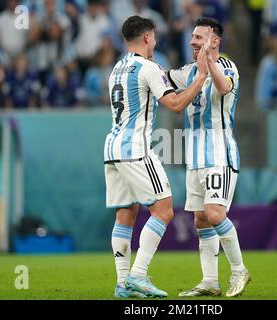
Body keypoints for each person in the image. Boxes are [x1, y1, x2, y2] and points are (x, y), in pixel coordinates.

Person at [104, 15, 209, 299]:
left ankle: (122, 284)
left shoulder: (116, 68)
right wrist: (200, 77)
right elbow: (174, 104)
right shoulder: (148, 67)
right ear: (147, 37)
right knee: (163, 210)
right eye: (155, 36)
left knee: (126, 214)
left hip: (112, 149)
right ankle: (138, 275)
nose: (156, 41)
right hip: (135, 148)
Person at [167, 17, 250, 298]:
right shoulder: (187, 72)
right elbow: (161, 77)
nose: (192, 42)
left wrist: (208, 64)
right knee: (201, 219)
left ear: (215, 41)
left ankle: (239, 270)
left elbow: (224, 88)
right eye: (192, 37)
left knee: (215, 214)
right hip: (194, 159)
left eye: (199, 38)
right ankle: (210, 281)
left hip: (219, 155)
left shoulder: (228, 67)